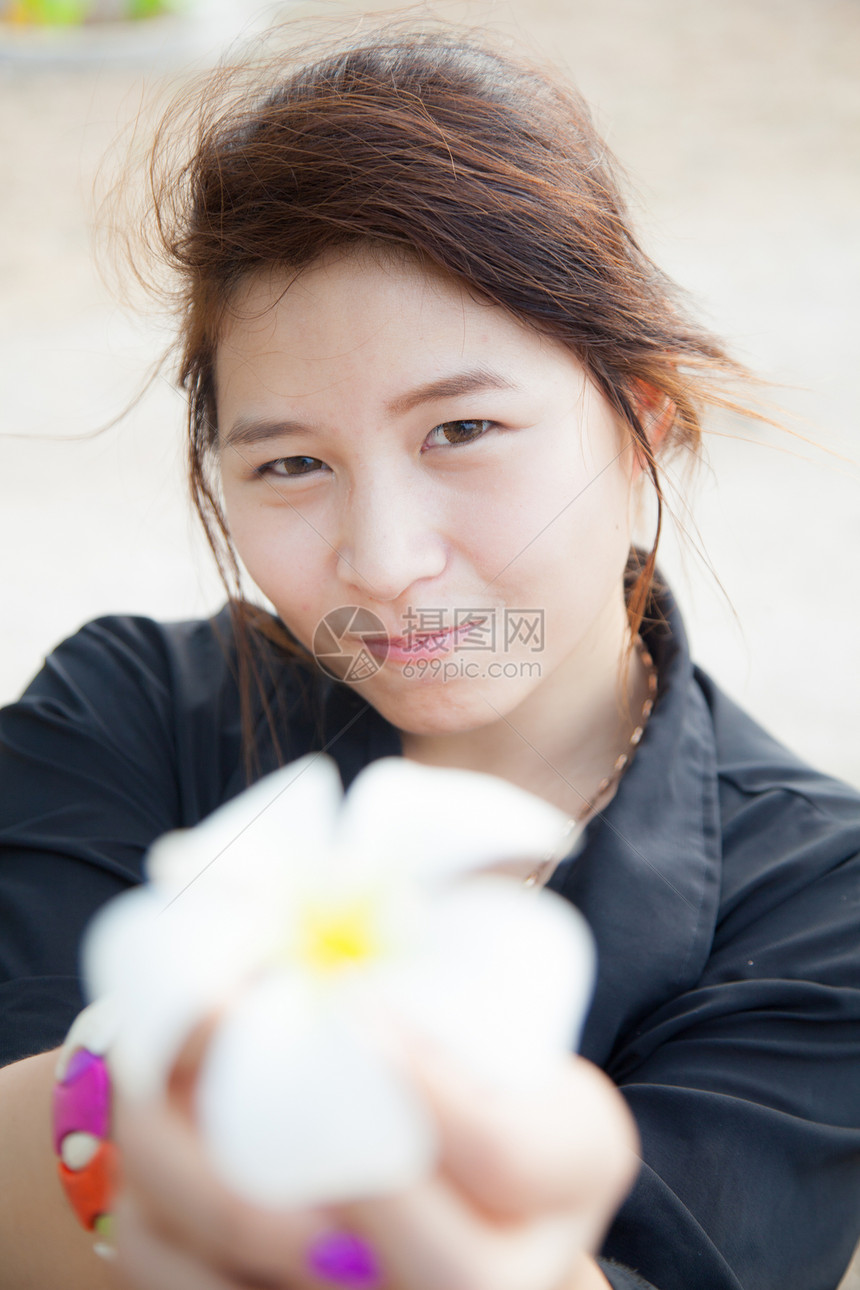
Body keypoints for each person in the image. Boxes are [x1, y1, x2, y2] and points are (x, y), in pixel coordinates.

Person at [0, 18, 858, 1290]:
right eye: (290, 464)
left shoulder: (821, 905)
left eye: (461, 428)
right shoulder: (125, 710)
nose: (385, 561)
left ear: (638, 429)